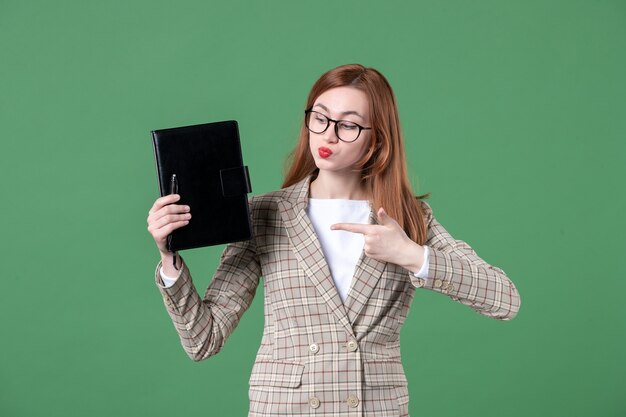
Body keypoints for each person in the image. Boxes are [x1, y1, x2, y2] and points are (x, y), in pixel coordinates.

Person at [146, 64, 521, 417]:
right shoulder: (265, 213)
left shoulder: (408, 218)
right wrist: (169, 258)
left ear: (377, 142)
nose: (328, 134)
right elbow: (203, 340)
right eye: (320, 117)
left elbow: (505, 300)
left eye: (349, 126)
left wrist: (410, 254)